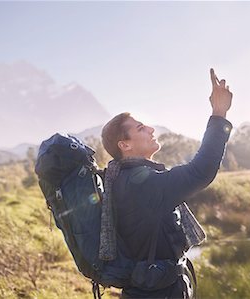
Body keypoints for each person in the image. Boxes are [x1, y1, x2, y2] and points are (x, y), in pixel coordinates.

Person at [100, 69, 233, 298]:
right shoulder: (140, 183)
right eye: (141, 128)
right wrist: (219, 114)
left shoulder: (124, 178)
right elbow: (200, 171)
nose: (151, 129)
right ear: (125, 145)